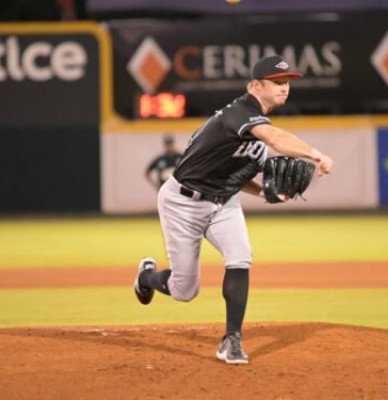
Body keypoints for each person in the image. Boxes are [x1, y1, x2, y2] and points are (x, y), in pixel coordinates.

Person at [132, 55, 334, 365]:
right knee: (184, 290)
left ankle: (231, 339)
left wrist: (267, 192)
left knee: (241, 256)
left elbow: (236, 176)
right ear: (256, 85)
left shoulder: (255, 130)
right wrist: (315, 154)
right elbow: (277, 139)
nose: (285, 89)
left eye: (288, 83)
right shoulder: (239, 114)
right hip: (182, 203)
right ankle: (147, 277)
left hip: (222, 200)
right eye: (277, 83)